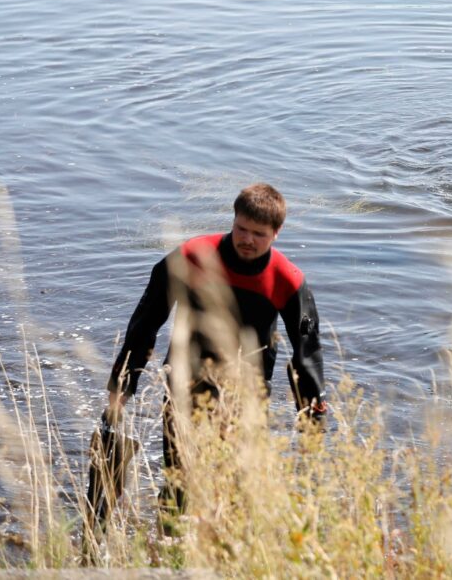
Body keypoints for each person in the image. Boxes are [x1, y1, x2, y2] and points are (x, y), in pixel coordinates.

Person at [98, 183, 326, 521]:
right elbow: (144, 325)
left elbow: (306, 354)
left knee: (237, 490)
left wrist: (312, 418)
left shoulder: (286, 280)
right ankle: (171, 551)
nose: (247, 240)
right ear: (232, 221)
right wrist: (120, 391)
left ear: (277, 233)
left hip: (247, 394)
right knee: (178, 481)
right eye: (241, 229)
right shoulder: (192, 257)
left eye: (258, 234)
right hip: (183, 384)